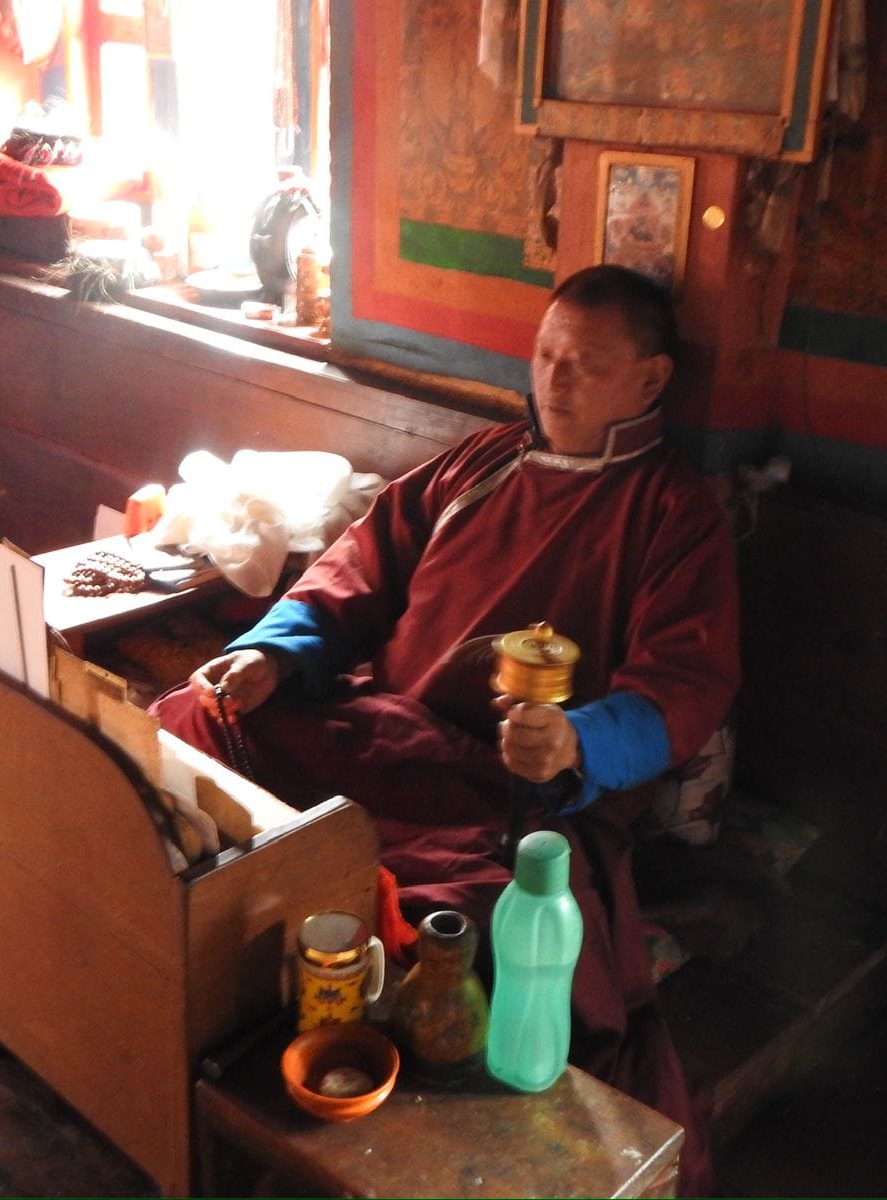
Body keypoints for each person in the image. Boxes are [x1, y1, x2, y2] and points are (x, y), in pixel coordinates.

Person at [152, 264, 739, 1194]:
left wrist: (577, 741)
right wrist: (274, 651)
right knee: (200, 713)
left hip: (515, 789)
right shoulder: (484, 460)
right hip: (381, 728)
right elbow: (359, 566)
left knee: (475, 923)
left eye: (583, 365)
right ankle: (164, 939)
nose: (554, 381)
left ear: (652, 380)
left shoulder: (673, 513)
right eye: (545, 356)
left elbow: (686, 683)